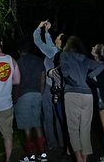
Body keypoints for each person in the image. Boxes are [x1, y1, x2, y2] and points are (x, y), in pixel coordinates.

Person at [59, 35, 103, 162]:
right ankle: (84, 159)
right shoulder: (85, 58)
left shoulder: (64, 55)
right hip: (88, 95)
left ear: (68, 46)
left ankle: (79, 159)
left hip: (72, 94)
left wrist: (72, 82)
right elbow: (101, 66)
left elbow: (65, 72)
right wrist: (89, 78)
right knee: (85, 129)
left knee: (73, 129)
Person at [32, 20, 66, 152]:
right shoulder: (62, 53)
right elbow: (50, 44)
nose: (55, 38)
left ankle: (52, 143)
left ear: (59, 42)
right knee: (60, 116)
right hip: (60, 88)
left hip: (49, 87)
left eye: (57, 38)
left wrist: (39, 28)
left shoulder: (52, 51)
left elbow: (38, 42)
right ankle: (63, 142)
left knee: (48, 116)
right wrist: (46, 32)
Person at [13, 36, 48, 162]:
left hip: (23, 96)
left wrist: (15, 99)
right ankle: (43, 154)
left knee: (26, 126)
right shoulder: (39, 61)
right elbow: (43, 79)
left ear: (19, 50)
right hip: (37, 95)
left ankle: (30, 155)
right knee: (37, 124)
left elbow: (16, 83)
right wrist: (41, 93)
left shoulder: (17, 63)